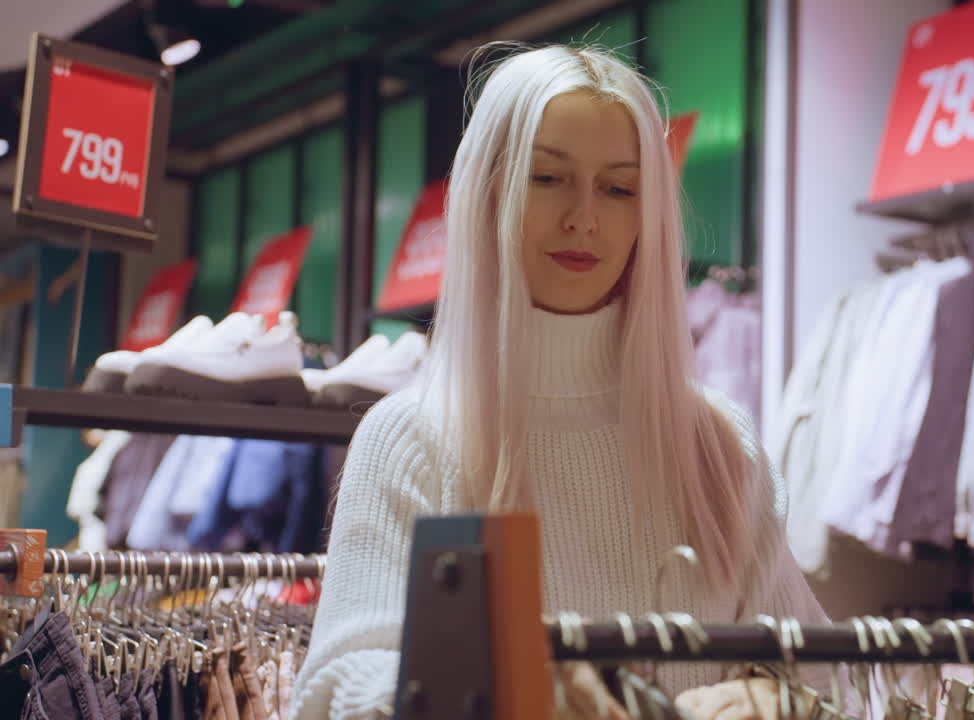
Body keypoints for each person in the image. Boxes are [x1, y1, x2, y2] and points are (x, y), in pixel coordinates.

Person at [289, 44, 833, 720]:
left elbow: (815, 670)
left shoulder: (717, 443)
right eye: (547, 178)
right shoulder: (410, 438)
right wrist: (496, 693)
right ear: (489, 189)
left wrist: (769, 694)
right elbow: (333, 690)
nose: (584, 217)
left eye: (619, 188)